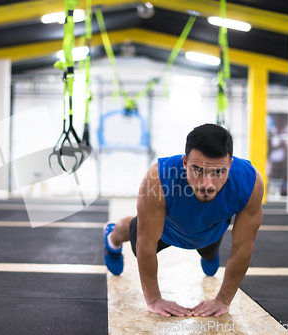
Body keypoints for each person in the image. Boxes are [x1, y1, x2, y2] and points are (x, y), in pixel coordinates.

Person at [103, 123, 263, 318]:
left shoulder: (250, 182)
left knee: (210, 260)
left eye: (218, 172)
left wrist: (223, 300)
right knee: (136, 240)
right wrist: (154, 300)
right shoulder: (158, 178)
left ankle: (209, 255)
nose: (207, 184)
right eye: (198, 169)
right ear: (185, 162)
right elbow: (146, 242)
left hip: (210, 232)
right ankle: (112, 237)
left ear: (230, 163)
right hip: (165, 230)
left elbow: (243, 247)